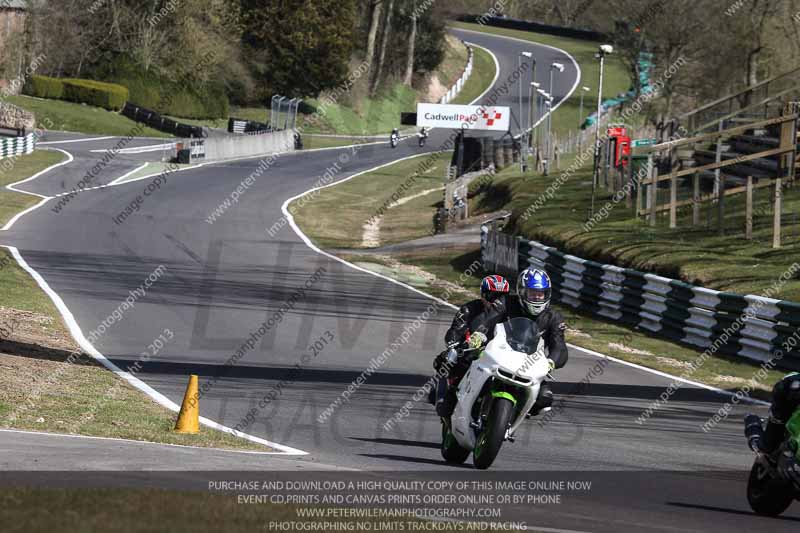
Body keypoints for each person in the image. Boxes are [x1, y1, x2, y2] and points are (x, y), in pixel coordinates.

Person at [431, 275, 510, 415]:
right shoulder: (469, 309)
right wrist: (454, 344)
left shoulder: (510, 314)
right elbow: (455, 330)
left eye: (501, 296)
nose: (497, 301)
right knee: (446, 360)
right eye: (493, 295)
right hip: (473, 352)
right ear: (483, 294)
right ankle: (444, 397)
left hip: (501, 354)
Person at [748, 372, 800, 454]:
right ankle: (753, 425)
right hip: (786, 411)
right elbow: (781, 388)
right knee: (767, 447)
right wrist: (778, 416)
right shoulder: (794, 382)